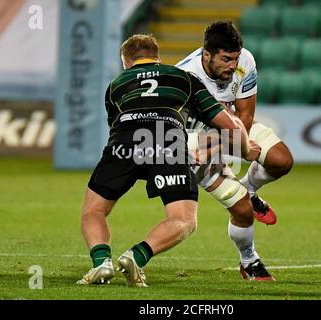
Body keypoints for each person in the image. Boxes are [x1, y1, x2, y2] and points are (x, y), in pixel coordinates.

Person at [76, 34, 261, 287]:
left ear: (126, 62)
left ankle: (101, 263)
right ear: (158, 57)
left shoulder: (116, 85)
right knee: (183, 219)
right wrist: (246, 151)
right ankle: (135, 256)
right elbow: (231, 124)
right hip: (168, 139)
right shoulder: (183, 78)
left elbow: (114, 127)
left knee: (94, 211)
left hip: (124, 143)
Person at [176, 21, 294, 280]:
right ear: (207, 55)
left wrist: (222, 146)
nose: (233, 65)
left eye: (235, 58)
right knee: (241, 210)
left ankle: (249, 188)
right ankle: (249, 261)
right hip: (196, 143)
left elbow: (245, 116)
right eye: (226, 59)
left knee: (281, 161)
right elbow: (177, 131)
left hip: (234, 129)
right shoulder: (183, 76)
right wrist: (209, 151)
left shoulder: (245, 61)